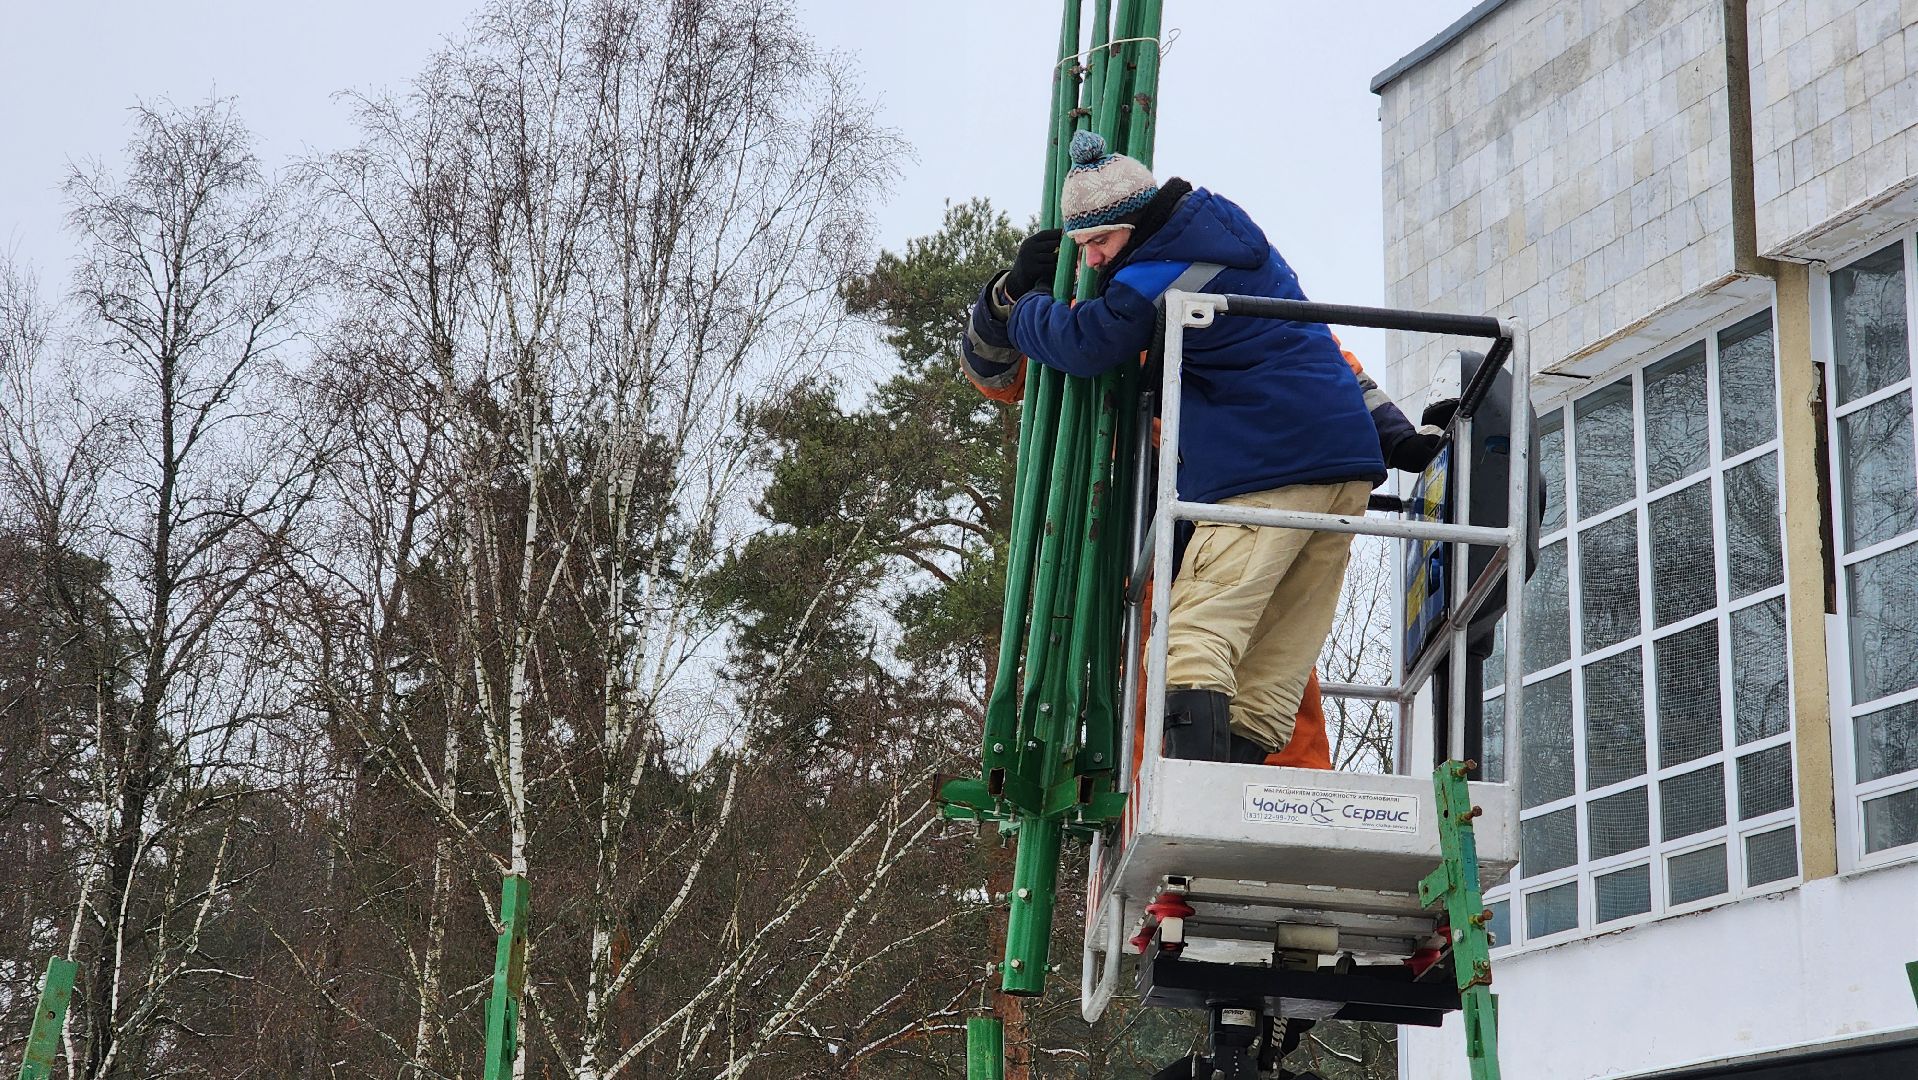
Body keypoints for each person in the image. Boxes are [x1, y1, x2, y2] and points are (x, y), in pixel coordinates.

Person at [961, 129, 1435, 766]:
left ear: (1133, 222)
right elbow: (1331, 363)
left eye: (1101, 243)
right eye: (1085, 250)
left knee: (1193, 642)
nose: (1096, 261)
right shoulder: (1235, 263)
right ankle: (1231, 783)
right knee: (1275, 662)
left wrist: (1023, 306)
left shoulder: (1151, 285)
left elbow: (1083, 345)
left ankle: (1199, 789)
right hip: (1342, 469)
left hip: (1256, 481)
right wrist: (1401, 439)